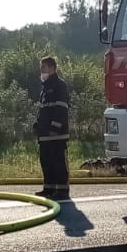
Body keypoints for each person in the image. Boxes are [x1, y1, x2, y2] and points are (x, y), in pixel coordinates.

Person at [34, 55, 71, 200]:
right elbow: (44, 109)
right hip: (44, 134)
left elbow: (61, 109)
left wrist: (55, 127)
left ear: (52, 68)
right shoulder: (45, 87)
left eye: (43, 67)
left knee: (58, 162)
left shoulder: (59, 85)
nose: (41, 70)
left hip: (57, 134)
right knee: (46, 161)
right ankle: (49, 188)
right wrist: (38, 123)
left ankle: (62, 190)